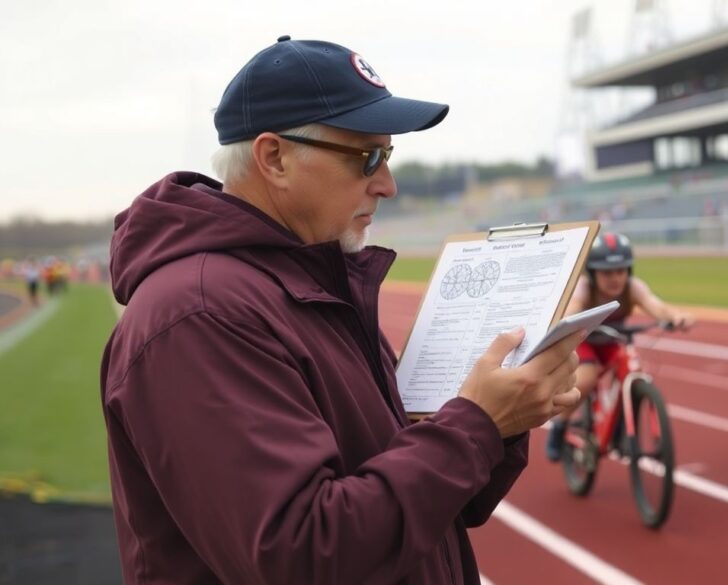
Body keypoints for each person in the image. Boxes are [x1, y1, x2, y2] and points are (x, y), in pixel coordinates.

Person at [101, 36, 581, 584]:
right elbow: (304, 556)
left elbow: (441, 503)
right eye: (367, 158)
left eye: (389, 156)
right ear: (274, 158)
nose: (388, 184)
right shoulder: (200, 313)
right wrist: (478, 425)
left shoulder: (314, 285)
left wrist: (505, 418)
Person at [545, 232, 694, 460]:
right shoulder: (585, 289)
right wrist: (565, 319)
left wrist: (676, 316)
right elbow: (572, 309)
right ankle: (559, 427)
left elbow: (657, 307)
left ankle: (618, 426)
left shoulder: (632, 288)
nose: (615, 278)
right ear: (593, 274)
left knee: (633, 370)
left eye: (621, 271)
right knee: (586, 378)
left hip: (613, 340)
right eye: (606, 272)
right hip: (584, 342)